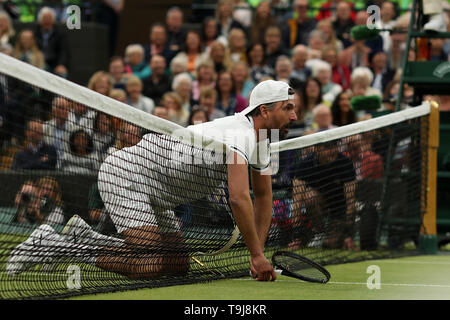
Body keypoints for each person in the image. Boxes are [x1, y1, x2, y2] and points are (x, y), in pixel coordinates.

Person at [6, 80, 297, 281]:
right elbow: (238, 196)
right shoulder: (240, 133)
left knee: (177, 264)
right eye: (288, 107)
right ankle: (53, 245)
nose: (295, 115)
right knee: (147, 263)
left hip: (158, 191)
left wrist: (255, 257)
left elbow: (263, 196)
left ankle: (86, 237)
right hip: (129, 172)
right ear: (264, 110)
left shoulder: (262, 142)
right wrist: (257, 255)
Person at [291, 140, 357, 250]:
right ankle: (319, 232)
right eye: (327, 147)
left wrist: (348, 234)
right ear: (316, 149)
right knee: (310, 197)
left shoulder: (345, 163)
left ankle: (337, 235)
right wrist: (296, 237)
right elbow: (297, 201)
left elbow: (351, 202)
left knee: (330, 245)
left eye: (334, 146)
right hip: (319, 207)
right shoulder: (305, 164)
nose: (333, 150)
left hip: (339, 210)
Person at [34, 7, 70, 77]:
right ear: (40, 21)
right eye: (45, 19)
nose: (47, 22)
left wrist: (61, 65)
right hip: (38, 63)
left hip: (55, 64)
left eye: (49, 19)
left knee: (62, 73)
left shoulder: (60, 35)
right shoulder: (35, 34)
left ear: (53, 20)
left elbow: (64, 52)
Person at [43, 97, 71, 168]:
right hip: (48, 165)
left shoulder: (74, 129)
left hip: (67, 166)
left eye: (67, 108)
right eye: (61, 108)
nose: (65, 111)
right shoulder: (44, 127)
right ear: (53, 110)